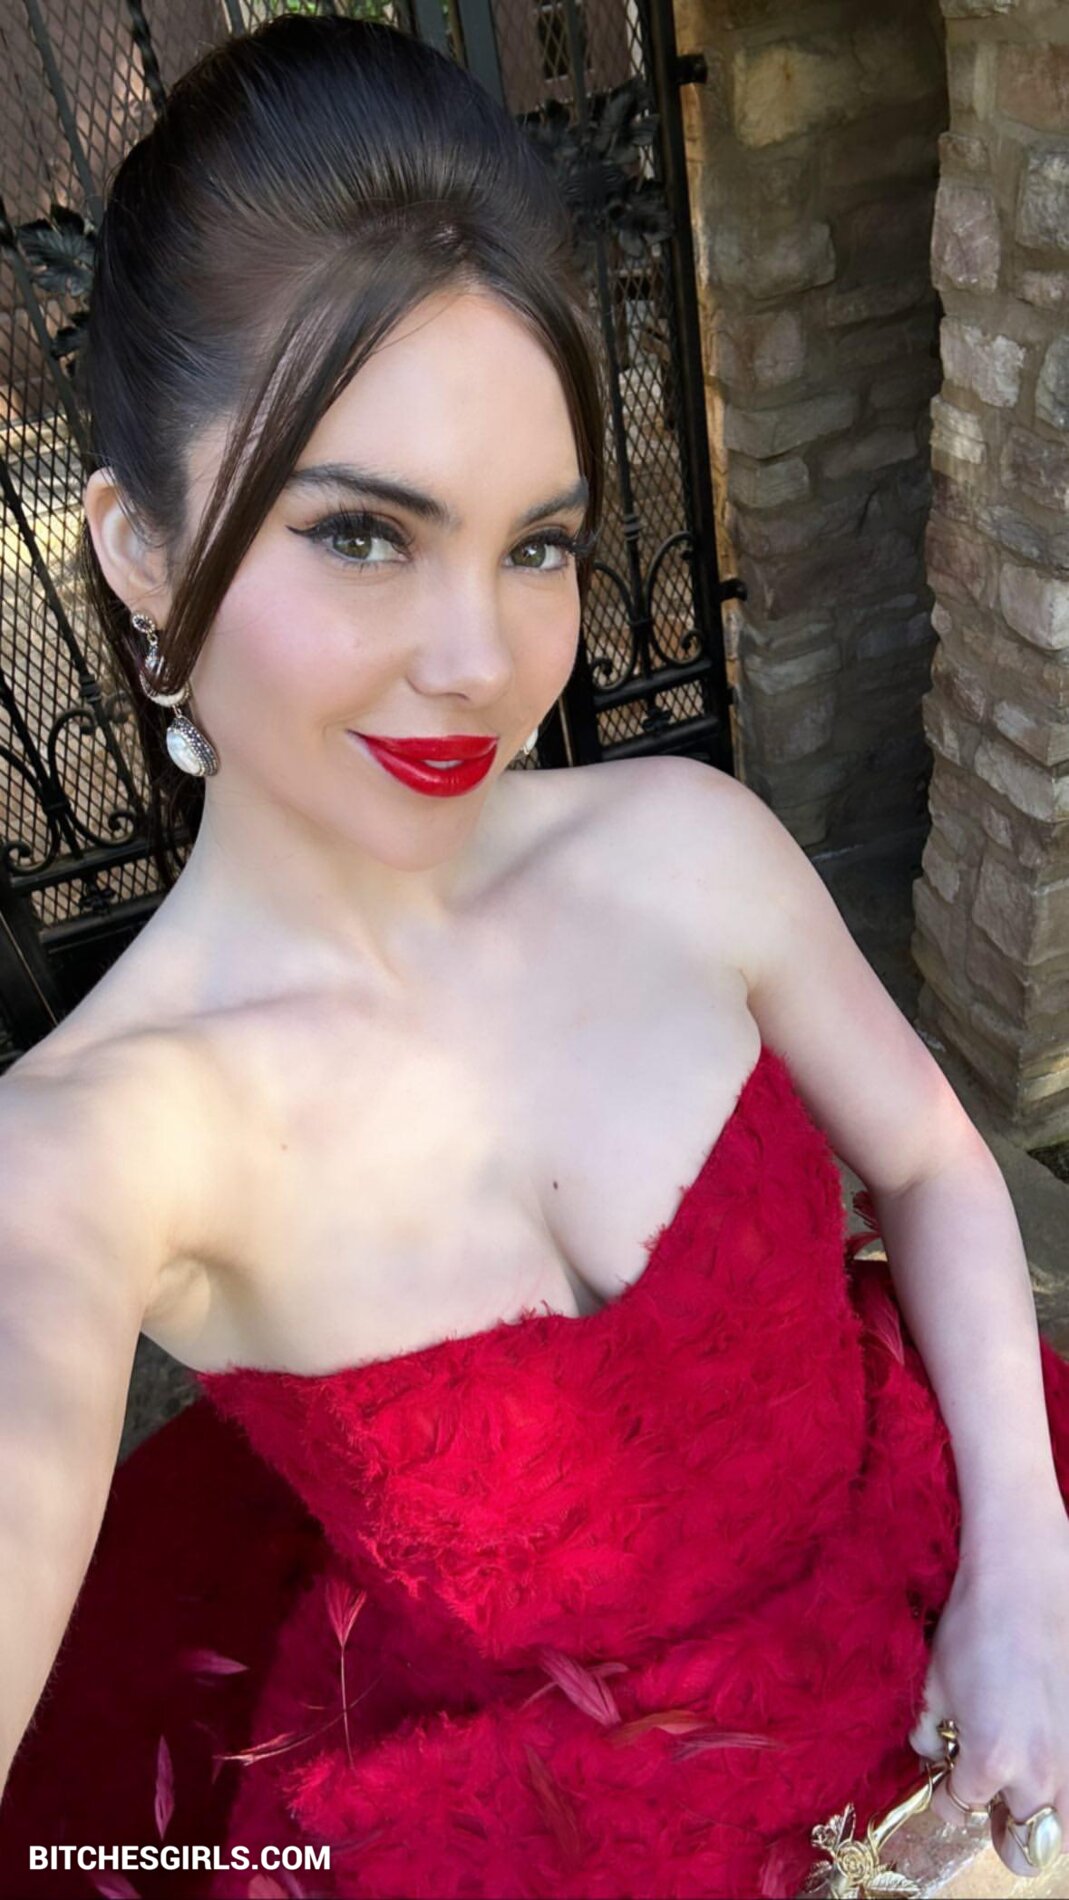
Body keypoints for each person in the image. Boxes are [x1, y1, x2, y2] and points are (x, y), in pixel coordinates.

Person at [0, 14, 1067, 1899]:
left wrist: (1024, 1574)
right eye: (362, 535)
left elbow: (924, 1161)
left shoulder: (684, 844)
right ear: (142, 552)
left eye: (537, 545)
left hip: (941, 1584)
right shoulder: (95, 1147)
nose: (479, 663)